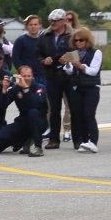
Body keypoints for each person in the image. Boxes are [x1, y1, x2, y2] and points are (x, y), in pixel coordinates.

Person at [0, 65, 48, 157]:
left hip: (39, 121)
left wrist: (26, 89)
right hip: (23, 121)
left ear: (32, 76)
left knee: (33, 112)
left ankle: (37, 146)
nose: (26, 78)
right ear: (19, 76)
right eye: (24, 76)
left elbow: (35, 104)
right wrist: (4, 89)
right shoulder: (16, 89)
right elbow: (2, 105)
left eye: (29, 76)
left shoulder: (40, 88)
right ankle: (22, 140)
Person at [37, 9, 74, 150]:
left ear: (64, 21)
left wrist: (68, 58)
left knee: (73, 108)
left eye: (56, 21)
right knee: (54, 110)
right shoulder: (44, 36)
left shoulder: (72, 35)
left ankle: (77, 139)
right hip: (52, 76)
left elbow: (80, 52)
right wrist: (43, 60)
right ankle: (54, 139)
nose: (53, 23)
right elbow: (38, 54)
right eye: (51, 21)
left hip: (69, 76)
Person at [62, 26, 103, 152]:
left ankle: (93, 141)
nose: (78, 43)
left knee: (89, 114)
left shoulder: (96, 52)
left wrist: (80, 66)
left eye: (81, 40)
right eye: (76, 40)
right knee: (78, 115)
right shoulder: (72, 53)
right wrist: (67, 63)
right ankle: (85, 141)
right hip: (76, 87)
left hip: (91, 87)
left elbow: (93, 71)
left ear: (87, 40)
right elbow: (69, 72)